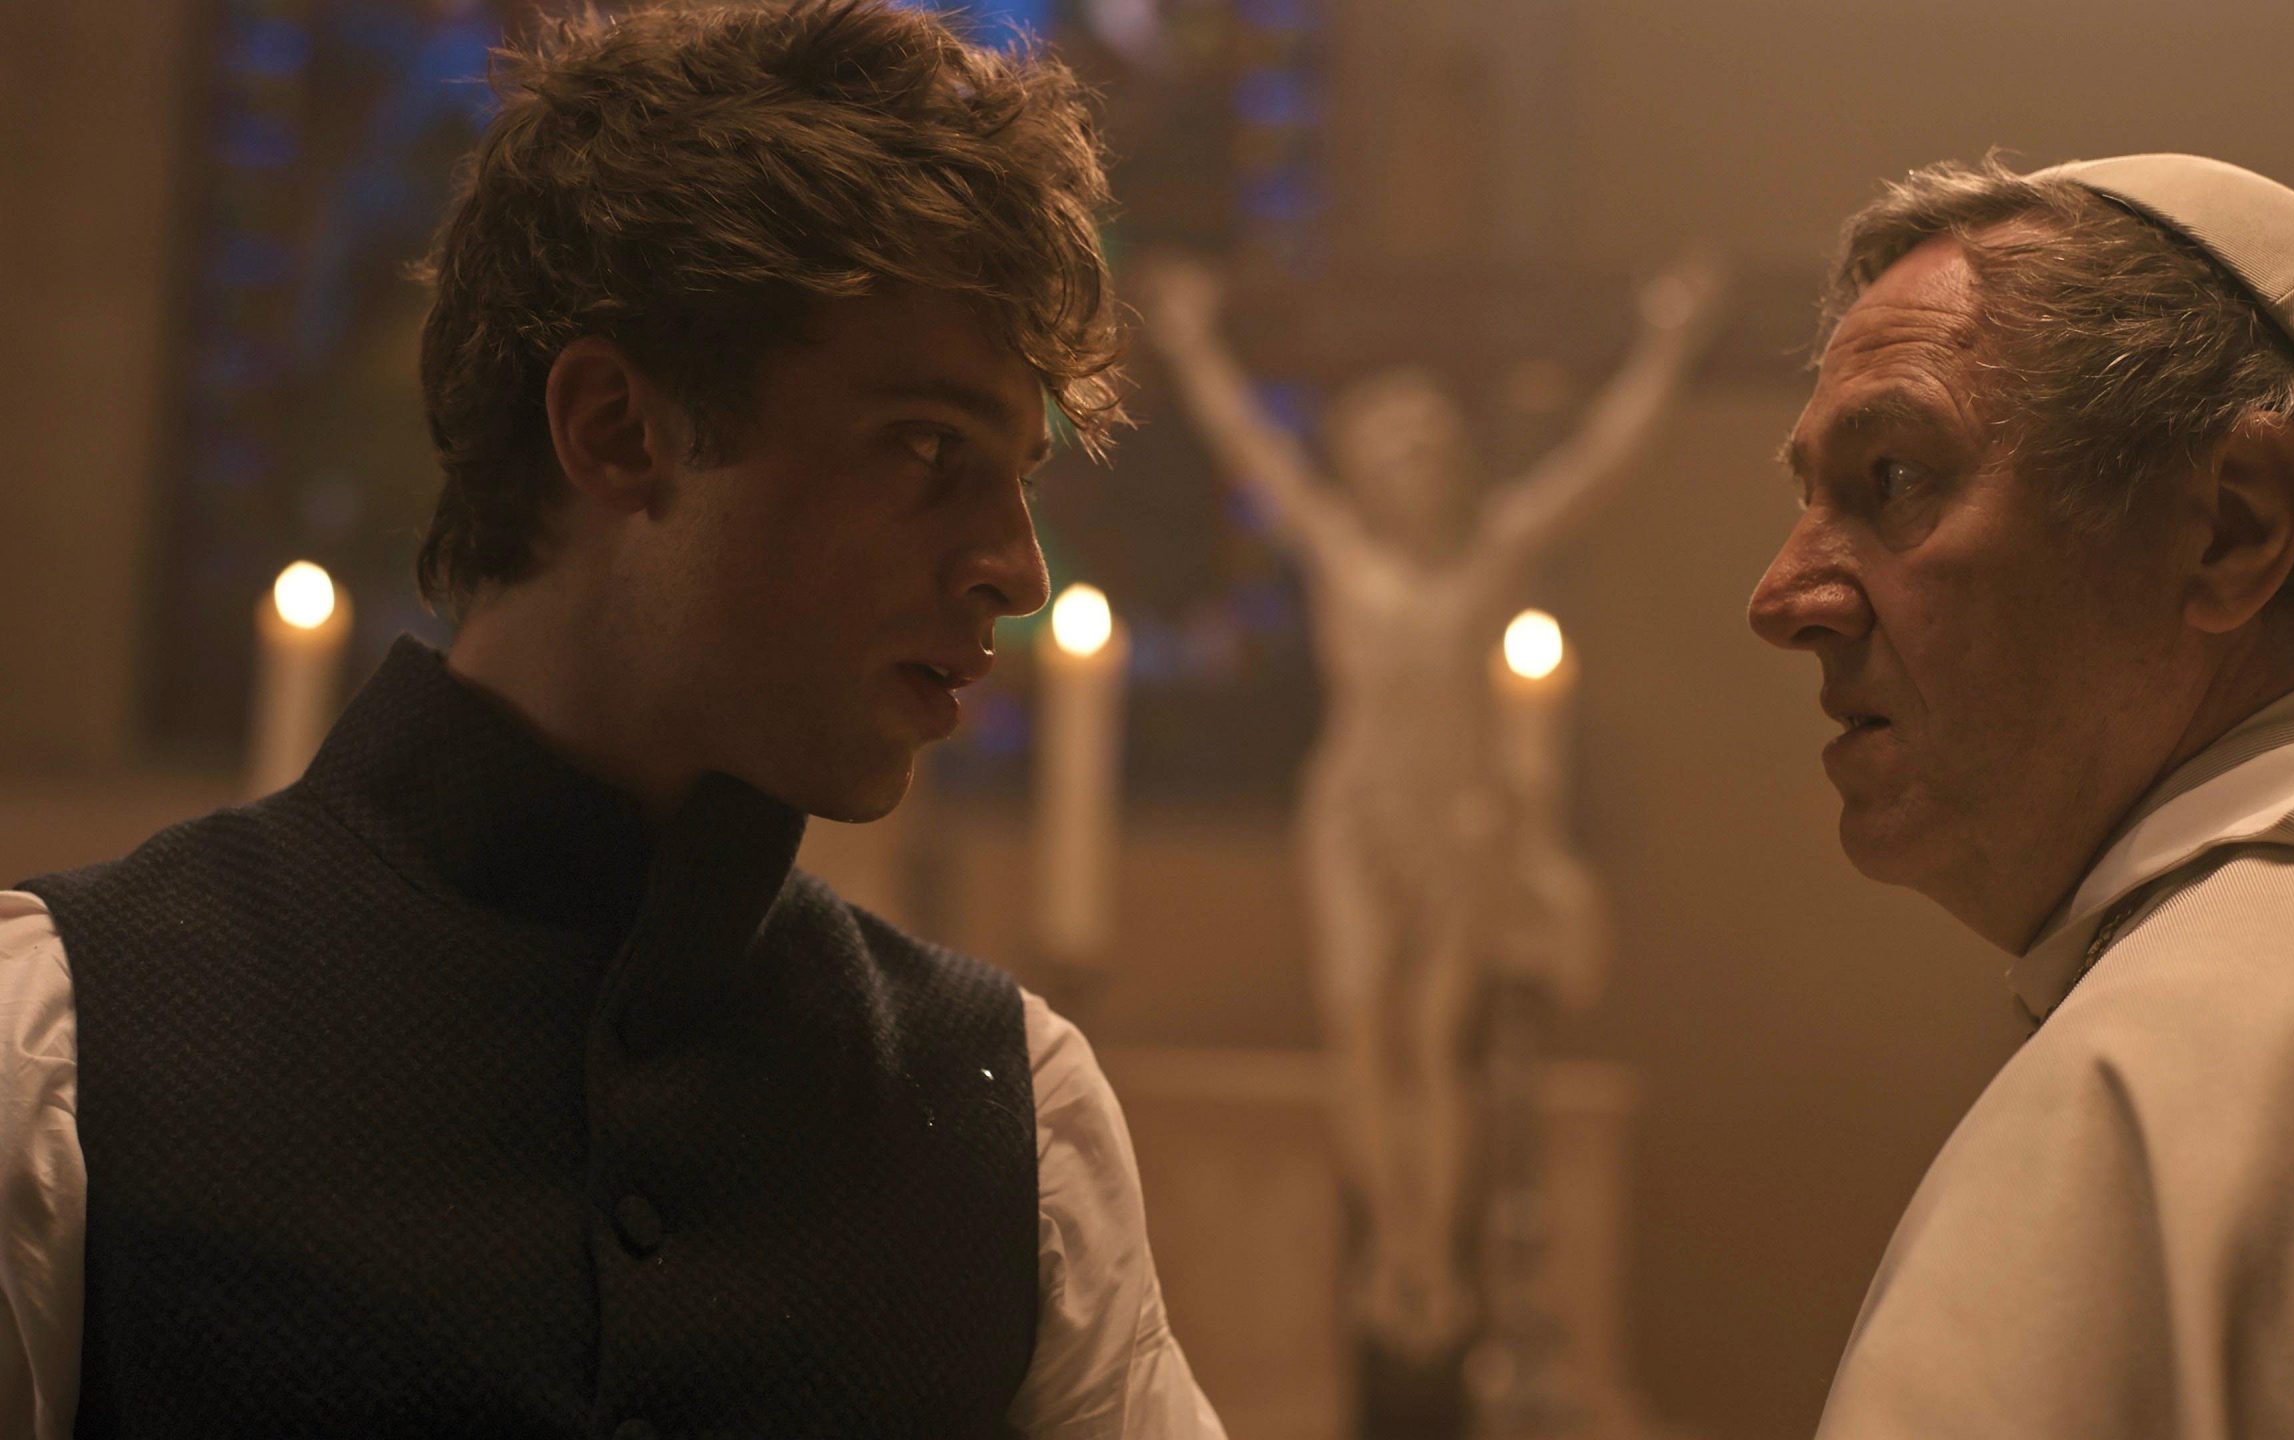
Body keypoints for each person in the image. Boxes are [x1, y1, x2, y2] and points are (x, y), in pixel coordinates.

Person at [0, 5, 1225, 1437]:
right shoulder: (58, 1049)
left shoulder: (1014, 1117)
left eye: (1021, 475)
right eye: (925, 446)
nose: (1016, 570)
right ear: (616, 431)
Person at [1750, 150, 2294, 1436]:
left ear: (2230, 526)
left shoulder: (2184, 1071)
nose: (1783, 598)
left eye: (1893, 478)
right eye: (1808, 497)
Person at [1145, 255, 1723, 1358]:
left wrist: (1665, 346)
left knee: (1431, 1036)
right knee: (1359, 1020)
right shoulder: (1338, 549)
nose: (1414, 465)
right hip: (1354, 813)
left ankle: (1430, 1256)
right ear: (1363, 469)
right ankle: (1392, 1244)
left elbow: (1596, 465)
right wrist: (1191, 344)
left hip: (1455, 819)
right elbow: (1250, 447)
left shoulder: (1488, 552)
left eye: (1428, 447)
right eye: (1393, 449)